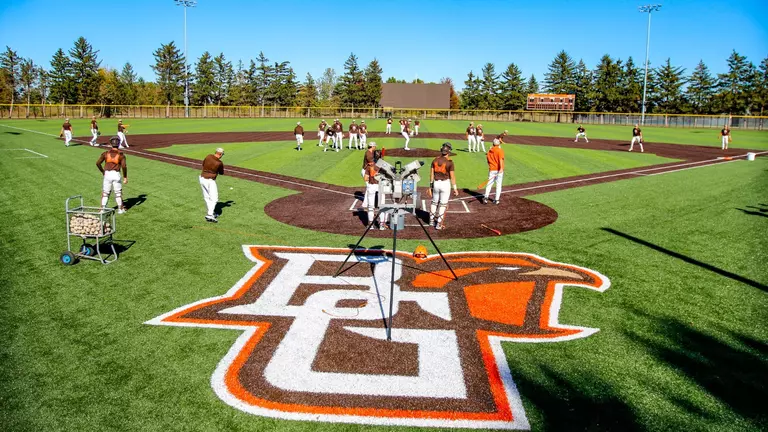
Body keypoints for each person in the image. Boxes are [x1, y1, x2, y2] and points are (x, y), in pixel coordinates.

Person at [428, 142, 458, 230]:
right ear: (449, 151)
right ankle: (439, 224)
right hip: (445, 184)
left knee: (434, 202)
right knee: (443, 204)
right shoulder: (450, 162)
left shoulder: (435, 160)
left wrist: (430, 186)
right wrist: (455, 188)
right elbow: (452, 177)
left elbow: (431, 174)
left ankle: (431, 220)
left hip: (436, 183)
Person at [96, 138, 128, 214]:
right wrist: (125, 177)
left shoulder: (105, 153)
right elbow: (124, 166)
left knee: (105, 193)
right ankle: (120, 209)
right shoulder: (121, 155)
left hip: (107, 174)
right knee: (118, 193)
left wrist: (103, 171)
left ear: (110, 144)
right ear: (119, 144)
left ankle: (102, 209)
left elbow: (98, 163)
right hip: (116, 174)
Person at [363, 150, 388, 230]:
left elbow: (365, 178)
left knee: (370, 207)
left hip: (371, 186)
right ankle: (381, 225)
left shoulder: (369, 165)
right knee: (382, 206)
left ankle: (370, 225)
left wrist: (371, 178)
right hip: (380, 186)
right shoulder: (384, 165)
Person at [199, 148, 224, 223]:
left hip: (202, 178)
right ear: (220, 154)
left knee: (207, 197)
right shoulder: (219, 163)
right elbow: (221, 173)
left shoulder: (208, 156)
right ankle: (210, 215)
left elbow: (203, 164)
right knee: (214, 198)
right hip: (210, 181)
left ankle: (210, 213)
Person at [483, 138, 505, 205]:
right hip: (499, 170)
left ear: (493, 144)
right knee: (498, 185)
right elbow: (501, 160)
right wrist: (501, 168)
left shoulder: (489, 151)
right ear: (498, 144)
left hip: (492, 169)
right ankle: (496, 200)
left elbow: (488, 161)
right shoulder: (500, 150)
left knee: (489, 184)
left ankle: (486, 197)